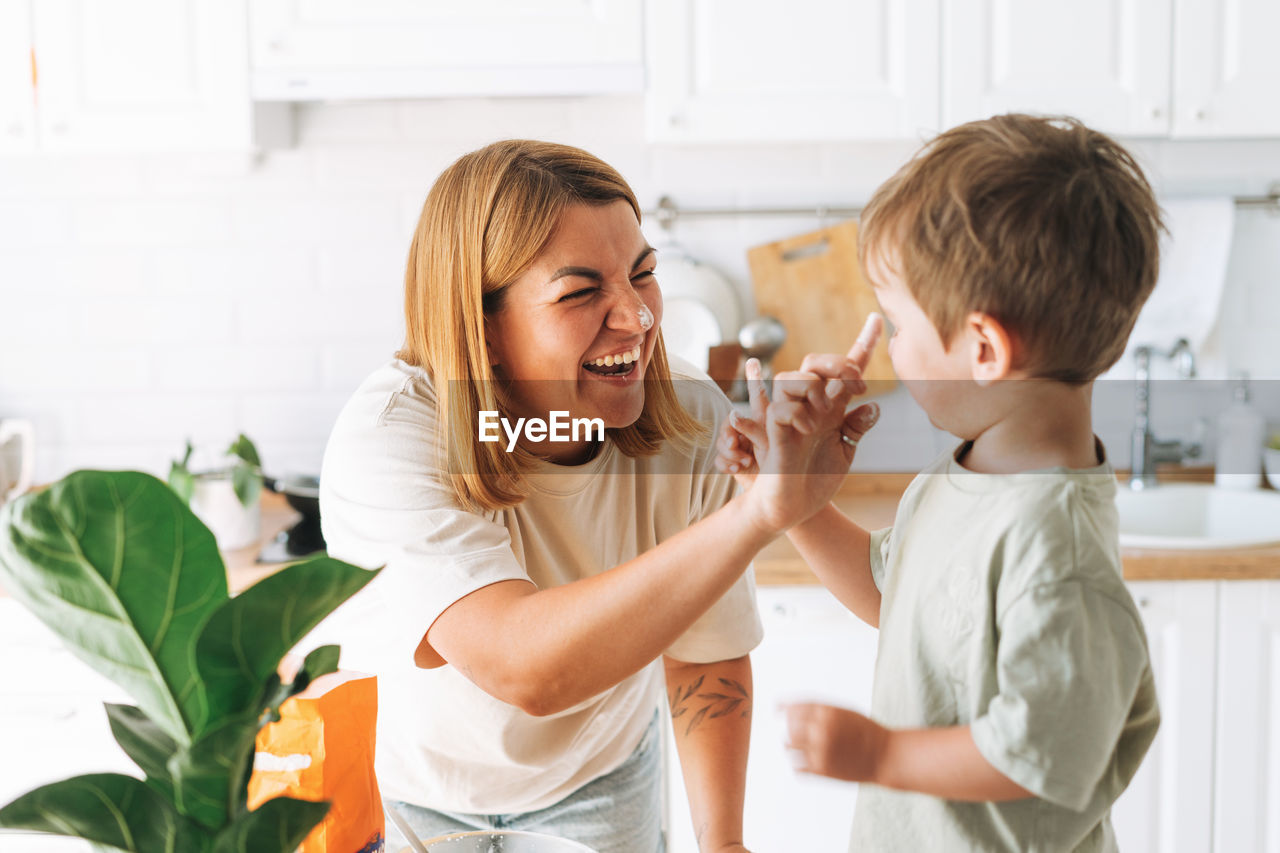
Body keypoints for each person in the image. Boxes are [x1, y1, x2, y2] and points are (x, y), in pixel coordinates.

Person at [317, 139, 878, 853]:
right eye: (582, 292)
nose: (639, 318)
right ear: (482, 328)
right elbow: (526, 667)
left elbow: (705, 651)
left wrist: (723, 842)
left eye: (643, 275)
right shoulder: (394, 437)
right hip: (424, 797)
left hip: (603, 782)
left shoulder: (693, 421)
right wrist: (758, 511)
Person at [717, 114, 1163, 851]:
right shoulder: (968, 474)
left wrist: (880, 755)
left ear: (984, 347)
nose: (889, 347)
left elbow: (1040, 748)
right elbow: (896, 598)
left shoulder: (1058, 554)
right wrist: (789, 498)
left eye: (897, 322)